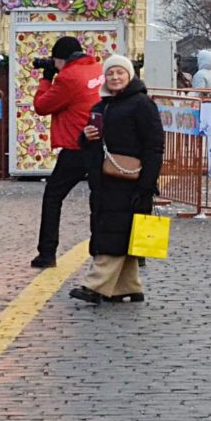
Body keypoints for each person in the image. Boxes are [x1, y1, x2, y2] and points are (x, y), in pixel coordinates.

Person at [74, 54, 163, 305]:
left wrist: (147, 184)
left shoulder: (142, 104)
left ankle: (95, 286)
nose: (115, 77)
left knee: (112, 233)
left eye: (120, 73)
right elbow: (91, 147)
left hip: (131, 180)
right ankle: (127, 286)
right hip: (105, 179)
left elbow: (154, 146)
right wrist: (86, 137)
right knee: (123, 231)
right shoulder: (100, 107)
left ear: (130, 75)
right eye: (110, 73)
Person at [30, 34, 104, 269]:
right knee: (102, 199)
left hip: (77, 145)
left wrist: (47, 78)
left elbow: (42, 106)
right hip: (103, 145)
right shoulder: (97, 68)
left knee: (53, 196)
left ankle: (47, 252)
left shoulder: (68, 76)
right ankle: (107, 251)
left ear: (60, 60)